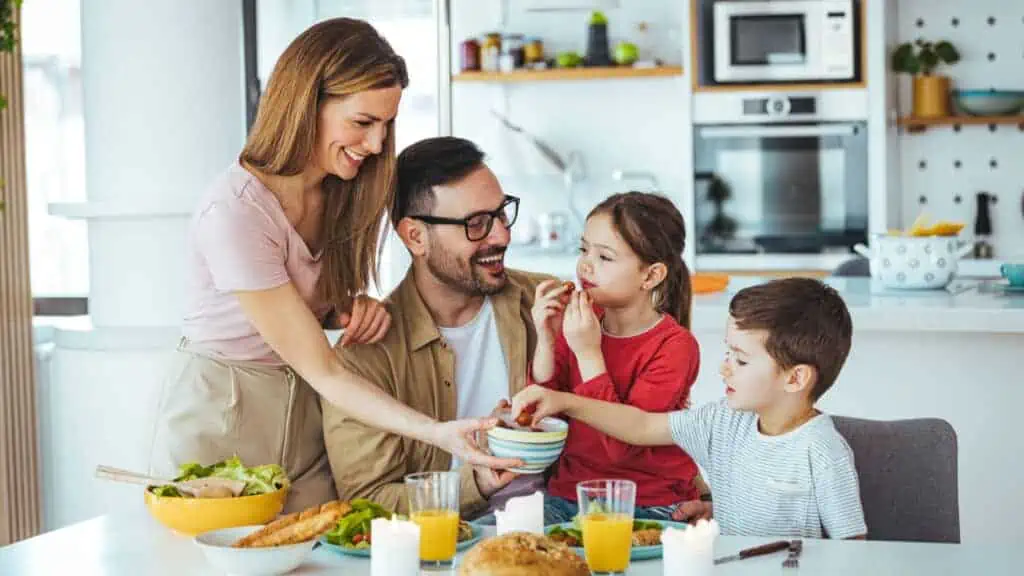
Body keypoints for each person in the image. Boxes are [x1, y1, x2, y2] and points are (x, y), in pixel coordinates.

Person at [148, 20, 513, 514]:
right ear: (307, 105)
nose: (378, 144)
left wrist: (340, 310)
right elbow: (324, 368)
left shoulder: (344, 190)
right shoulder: (235, 212)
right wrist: (437, 432)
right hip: (225, 407)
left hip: (306, 407)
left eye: (387, 124)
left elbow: (302, 327)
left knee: (317, 555)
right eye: (362, 123)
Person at [514, 278, 868, 539]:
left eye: (741, 361)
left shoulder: (821, 450)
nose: (724, 368)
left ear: (795, 379)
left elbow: (854, 550)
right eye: (729, 353)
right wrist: (564, 401)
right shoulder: (722, 420)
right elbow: (639, 426)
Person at [323, 136, 551, 519]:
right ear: (415, 236)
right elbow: (367, 500)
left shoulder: (545, 304)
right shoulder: (363, 354)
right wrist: (475, 484)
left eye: (501, 213)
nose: (501, 235)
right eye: (476, 223)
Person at [529, 192, 705, 524]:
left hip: (651, 504)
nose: (585, 264)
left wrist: (588, 353)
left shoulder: (675, 346)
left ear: (650, 276)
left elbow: (621, 444)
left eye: (605, 257)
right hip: (570, 496)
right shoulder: (581, 321)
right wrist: (546, 338)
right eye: (584, 250)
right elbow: (544, 410)